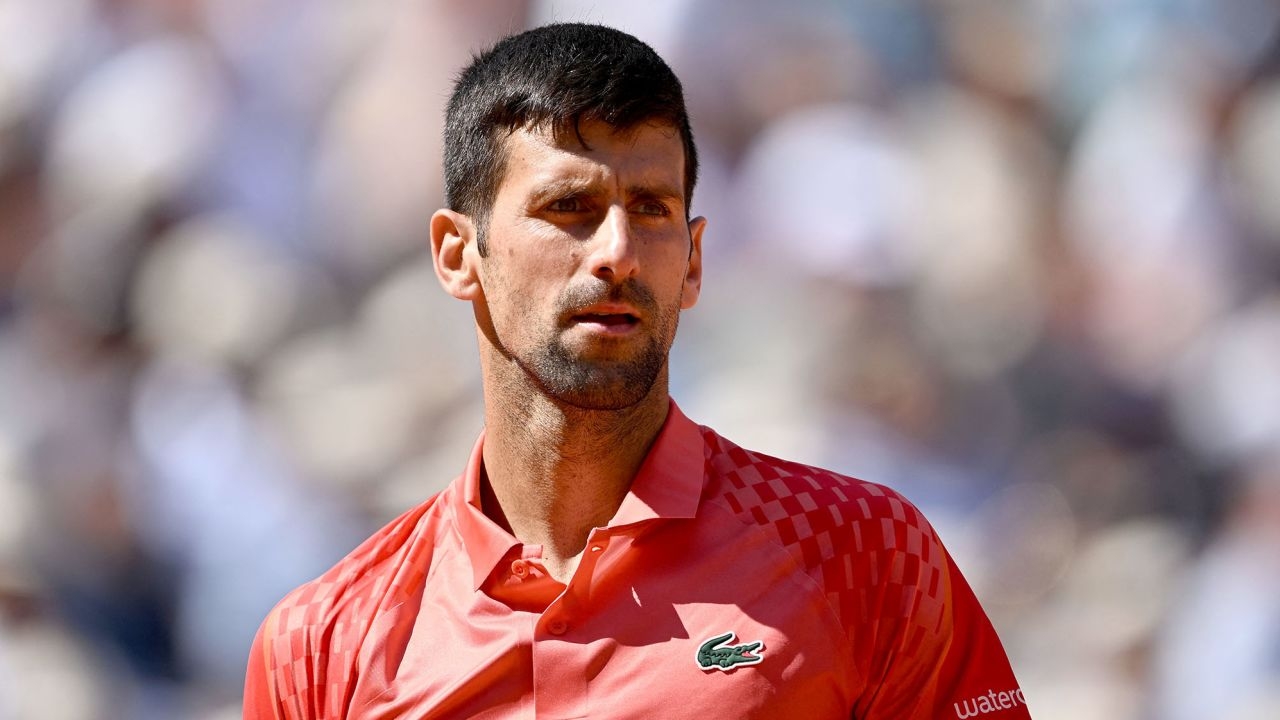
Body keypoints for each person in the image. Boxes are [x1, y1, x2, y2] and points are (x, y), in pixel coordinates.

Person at [242, 22, 1031, 720]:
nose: (618, 251)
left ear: (693, 262)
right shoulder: (325, 642)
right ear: (458, 254)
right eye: (569, 209)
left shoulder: (867, 556)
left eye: (651, 208)